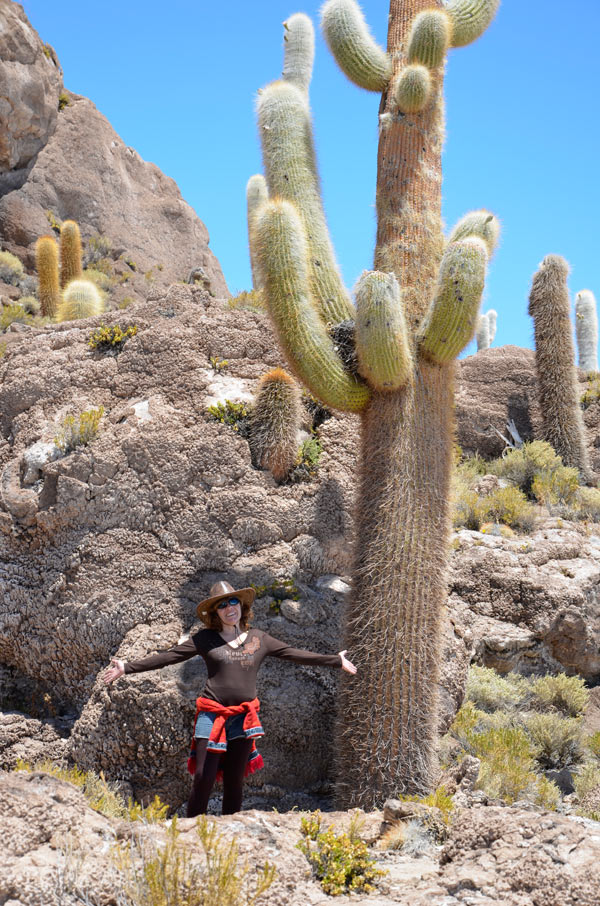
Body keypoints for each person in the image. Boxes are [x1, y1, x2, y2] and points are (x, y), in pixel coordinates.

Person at [103, 580, 357, 816]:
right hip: (211, 714)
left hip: (243, 718)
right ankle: (192, 829)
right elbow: (170, 656)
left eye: (232, 602)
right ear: (215, 613)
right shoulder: (206, 639)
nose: (228, 608)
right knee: (204, 775)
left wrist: (336, 660)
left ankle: (232, 831)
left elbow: (293, 654)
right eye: (221, 605)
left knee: (234, 780)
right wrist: (127, 667)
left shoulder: (259, 639)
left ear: (241, 606)